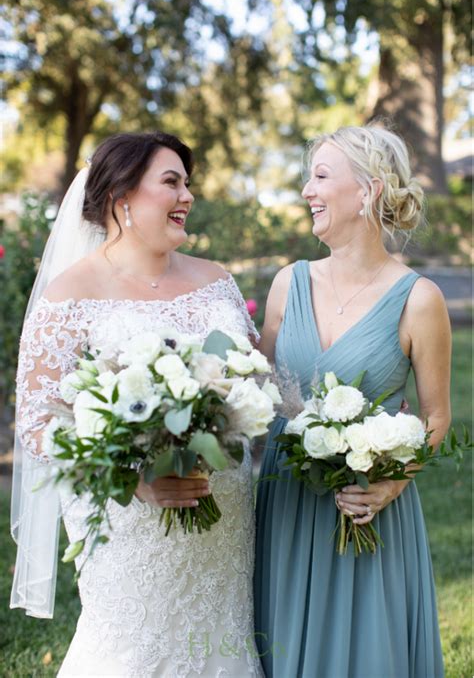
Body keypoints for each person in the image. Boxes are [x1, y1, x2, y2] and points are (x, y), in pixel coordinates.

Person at [10, 131, 264, 677]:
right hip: (132, 527)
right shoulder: (68, 296)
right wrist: (137, 480)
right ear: (120, 197)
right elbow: (37, 423)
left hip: (225, 517)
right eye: (170, 182)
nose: (187, 196)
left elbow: (252, 383)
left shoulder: (217, 283)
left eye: (188, 183)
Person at [254, 124, 450, 677]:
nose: (306, 192)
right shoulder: (286, 284)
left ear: (367, 192)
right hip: (287, 506)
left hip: (366, 512)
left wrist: (391, 484)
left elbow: (437, 417)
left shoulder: (419, 299)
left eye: (320, 176)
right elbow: (257, 394)